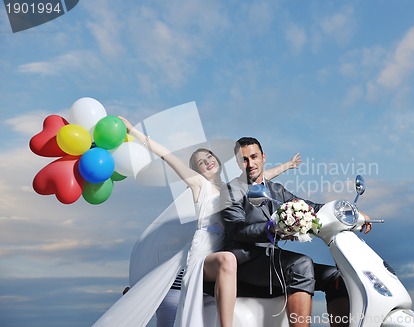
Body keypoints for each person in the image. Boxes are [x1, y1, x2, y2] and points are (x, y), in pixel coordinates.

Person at [120, 117, 303, 327]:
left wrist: (287, 165)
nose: (207, 162)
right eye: (201, 162)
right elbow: (167, 156)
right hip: (202, 258)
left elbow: (263, 176)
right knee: (228, 261)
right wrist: (134, 131)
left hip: (222, 252)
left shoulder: (233, 188)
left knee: (232, 260)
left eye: (209, 156)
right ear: (197, 171)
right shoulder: (199, 185)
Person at [220, 137, 372, 327]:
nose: (250, 164)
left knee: (337, 276)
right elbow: (236, 229)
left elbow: (309, 207)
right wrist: (271, 228)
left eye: (254, 157)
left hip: (272, 259)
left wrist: (351, 213)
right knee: (301, 264)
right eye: (244, 159)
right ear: (237, 163)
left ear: (263, 157)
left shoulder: (276, 189)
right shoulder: (230, 191)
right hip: (245, 262)